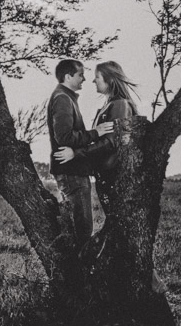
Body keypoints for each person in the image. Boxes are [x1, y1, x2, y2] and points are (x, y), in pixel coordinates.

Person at [54, 61, 138, 221]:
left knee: (117, 220)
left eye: (97, 77)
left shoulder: (120, 105)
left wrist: (76, 154)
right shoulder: (111, 105)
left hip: (114, 174)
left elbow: (112, 143)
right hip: (107, 174)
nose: (93, 81)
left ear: (110, 80)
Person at [47, 59, 114, 247]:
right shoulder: (62, 98)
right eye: (80, 75)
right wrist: (96, 133)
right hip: (72, 172)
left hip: (73, 171)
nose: (84, 79)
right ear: (68, 77)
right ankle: (81, 273)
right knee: (83, 232)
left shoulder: (65, 97)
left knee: (79, 229)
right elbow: (64, 137)